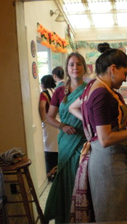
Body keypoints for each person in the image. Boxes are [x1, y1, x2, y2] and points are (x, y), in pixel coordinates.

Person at [69, 48, 127, 222]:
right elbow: (105, 139)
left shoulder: (92, 87)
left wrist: (93, 123)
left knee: (112, 213)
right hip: (108, 163)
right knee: (116, 215)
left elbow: (74, 107)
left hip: (105, 161)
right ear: (113, 68)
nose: (125, 78)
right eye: (125, 73)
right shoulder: (101, 93)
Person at [44, 52, 88, 223]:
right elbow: (49, 117)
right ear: (67, 69)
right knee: (64, 179)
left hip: (83, 143)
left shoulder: (90, 88)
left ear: (84, 67)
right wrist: (62, 126)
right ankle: (63, 217)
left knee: (81, 179)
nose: (75, 67)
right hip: (65, 142)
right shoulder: (60, 91)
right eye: (71, 65)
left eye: (78, 64)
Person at [38, 75, 58, 179]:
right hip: (58, 121)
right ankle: (57, 171)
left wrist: (43, 120)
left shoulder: (44, 93)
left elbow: (42, 106)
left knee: (49, 147)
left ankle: (50, 173)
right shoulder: (57, 91)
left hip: (49, 123)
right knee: (57, 147)